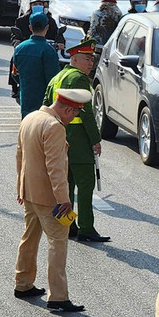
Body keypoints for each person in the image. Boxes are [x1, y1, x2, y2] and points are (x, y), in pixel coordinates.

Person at [14, 87, 91, 312]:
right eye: (75, 113)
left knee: (29, 237)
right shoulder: (55, 127)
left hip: (29, 193)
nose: (74, 118)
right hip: (50, 199)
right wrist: (64, 199)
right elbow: (55, 169)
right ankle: (57, 296)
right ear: (67, 109)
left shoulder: (30, 117)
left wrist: (20, 188)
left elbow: (20, 155)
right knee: (58, 243)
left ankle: (23, 283)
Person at [45, 39, 107, 243]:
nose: (91, 64)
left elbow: (46, 105)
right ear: (75, 59)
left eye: (92, 60)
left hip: (58, 138)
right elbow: (87, 113)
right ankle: (86, 228)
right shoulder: (79, 79)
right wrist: (95, 140)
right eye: (87, 59)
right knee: (86, 184)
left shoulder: (57, 77)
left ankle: (68, 225)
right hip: (78, 140)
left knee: (66, 185)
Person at [12, 11, 59, 115]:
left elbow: (14, 74)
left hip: (26, 99)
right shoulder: (49, 51)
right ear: (47, 28)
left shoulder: (19, 49)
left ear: (30, 28)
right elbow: (54, 80)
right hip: (44, 104)